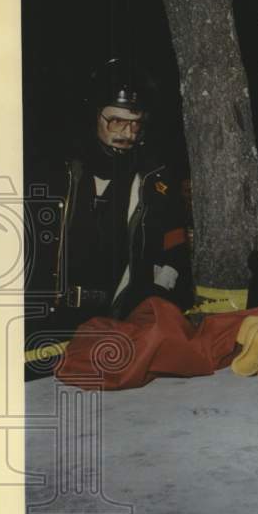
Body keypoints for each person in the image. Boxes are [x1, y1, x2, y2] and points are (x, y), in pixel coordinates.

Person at [36, 58, 192, 334]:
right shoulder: (57, 173)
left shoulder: (154, 182)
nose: (128, 133)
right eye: (117, 121)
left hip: (121, 324)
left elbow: (174, 256)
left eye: (136, 124)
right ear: (94, 115)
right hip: (51, 325)